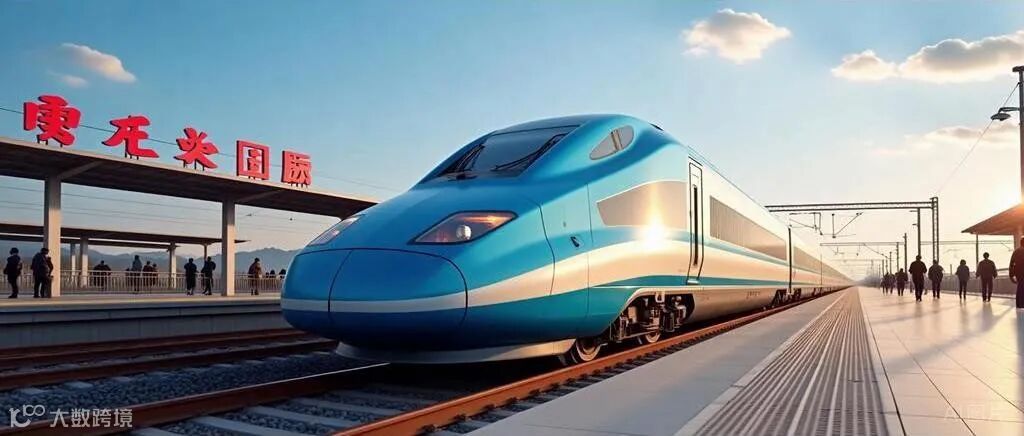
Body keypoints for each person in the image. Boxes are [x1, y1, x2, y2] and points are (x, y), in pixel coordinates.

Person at [1010, 238, 1024, 308]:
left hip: (1018, 272)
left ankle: (1019, 304)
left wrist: (1011, 275)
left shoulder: (1016, 252)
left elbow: (1011, 264)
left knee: (1020, 286)